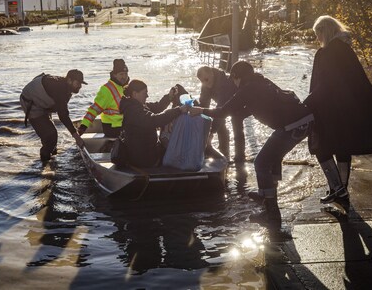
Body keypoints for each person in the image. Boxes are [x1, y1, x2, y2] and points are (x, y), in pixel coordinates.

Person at [189, 61, 314, 234]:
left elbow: (223, 112)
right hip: (303, 121)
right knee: (272, 158)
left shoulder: (247, 89)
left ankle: (271, 214)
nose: (234, 83)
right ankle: (266, 196)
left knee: (261, 163)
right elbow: (250, 109)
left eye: (234, 79)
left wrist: (200, 110)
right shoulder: (261, 81)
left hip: (292, 126)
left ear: (238, 77)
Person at [305, 15, 372, 205]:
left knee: (319, 147)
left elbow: (323, 85)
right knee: (342, 147)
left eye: (318, 34)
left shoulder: (324, 54)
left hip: (328, 110)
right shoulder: (346, 50)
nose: (317, 39)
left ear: (325, 31)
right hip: (348, 109)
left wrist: (307, 102)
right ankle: (342, 191)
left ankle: (337, 188)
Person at [20, 69, 86, 162]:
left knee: (51, 142)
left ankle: (52, 159)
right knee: (51, 135)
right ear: (69, 80)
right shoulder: (59, 89)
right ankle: (44, 166)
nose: (80, 86)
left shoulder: (65, 87)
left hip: (42, 101)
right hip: (30, 102)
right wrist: (76, 136)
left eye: (81, 83)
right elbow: (63, 115)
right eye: (78, 83)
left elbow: (62, 109)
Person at [119, 80, 189, 168]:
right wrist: (179, 110)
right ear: (135, 94)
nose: (147, 96)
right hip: (142, 158)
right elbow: (154, 120)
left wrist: (169, 97)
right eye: (145, 93)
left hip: (141, 151)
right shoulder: (133, 111)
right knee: (176, 152)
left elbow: (157, 107)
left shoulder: (136, 105)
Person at [197, 66, 246, 163]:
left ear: (211, 73)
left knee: (236, 126)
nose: (206, 83)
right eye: (202, 81)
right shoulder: (205, 85)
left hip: (238, 103)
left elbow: (221, 109)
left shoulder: (223, 82)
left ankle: (240, 157)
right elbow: (204, 106)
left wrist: (211, 133)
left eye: (206, 79)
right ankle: (224, 153)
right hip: (223, 105)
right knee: (220, 126)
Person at [78, 59, 130, 138]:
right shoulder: (106, 89)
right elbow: (94, 110)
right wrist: (83, 127)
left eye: (126, 74)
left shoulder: (127, 88)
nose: (124, 77)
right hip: (112, 128)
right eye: (121, 74)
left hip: (123, 125)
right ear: (115, 75)